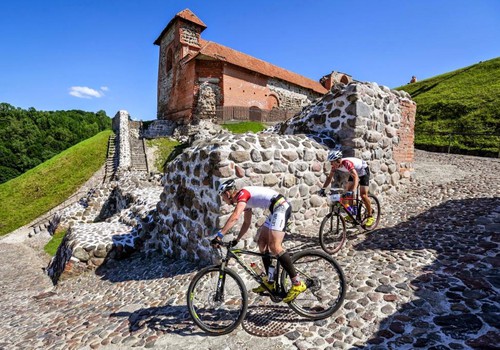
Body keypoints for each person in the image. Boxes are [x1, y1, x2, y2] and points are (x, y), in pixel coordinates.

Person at [211, 179, 307, 303]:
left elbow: (235, 217)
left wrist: (219, 236)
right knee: (262, 242)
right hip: (275, 210)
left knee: (275, 246)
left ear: (228, 194)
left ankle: (297, 283)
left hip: (281, 207)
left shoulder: (242, 194)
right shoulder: (244, 201)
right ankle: (271, 281)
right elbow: (246, 223)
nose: (223, 199)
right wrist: (237, 239)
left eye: (222, 196)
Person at [318, 149, 375, 227]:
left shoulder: (346, 163)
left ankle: (370, 216)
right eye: (330, 162)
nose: (331, 164)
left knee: (363, 195)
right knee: (348, 193)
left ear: (338, 160)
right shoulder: (335, 166)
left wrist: (353, 190)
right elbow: (329, 178)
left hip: (363, 170)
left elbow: (356, 177)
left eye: (332, 162)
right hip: (354, 172)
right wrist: (323, 189)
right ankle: (353, 213)